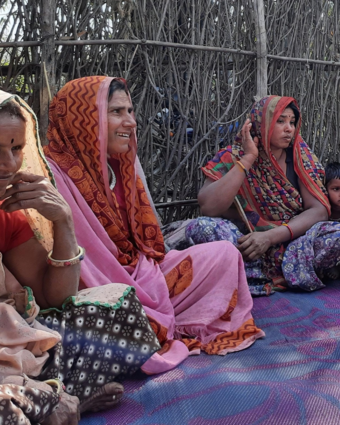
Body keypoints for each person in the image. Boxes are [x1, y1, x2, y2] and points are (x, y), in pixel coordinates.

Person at [0, 83, 157, 425]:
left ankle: (47, 404)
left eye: (16, 148)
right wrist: (18, 386)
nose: (9, 163)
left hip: (2, 352)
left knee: (120, 307)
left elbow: (55, 296)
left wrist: (63, 222)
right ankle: (46, 402)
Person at [45, 76, 263, 374]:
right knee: (124, 317)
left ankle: (156, 312)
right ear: (84, 117)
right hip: (95, 291)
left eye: (130, 111)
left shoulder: (120, 166)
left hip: (142, 275)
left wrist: (145, 279)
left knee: (224, 254)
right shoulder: (53, 176)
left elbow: (147, 246)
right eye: (117, 112)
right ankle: (151, 316)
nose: (130, 122)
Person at [192, 95, 340, 296]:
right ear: (261, 124)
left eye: (292, 122)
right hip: (249, 247)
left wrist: (269, 237)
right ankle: (284, 275)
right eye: (281, 121)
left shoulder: (299, 156)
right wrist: (248, 159)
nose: (289, 129)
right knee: (202, 227)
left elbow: (319, 210)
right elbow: (208, 207)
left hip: (292, 245)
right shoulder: (233, 156)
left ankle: (257, 278)